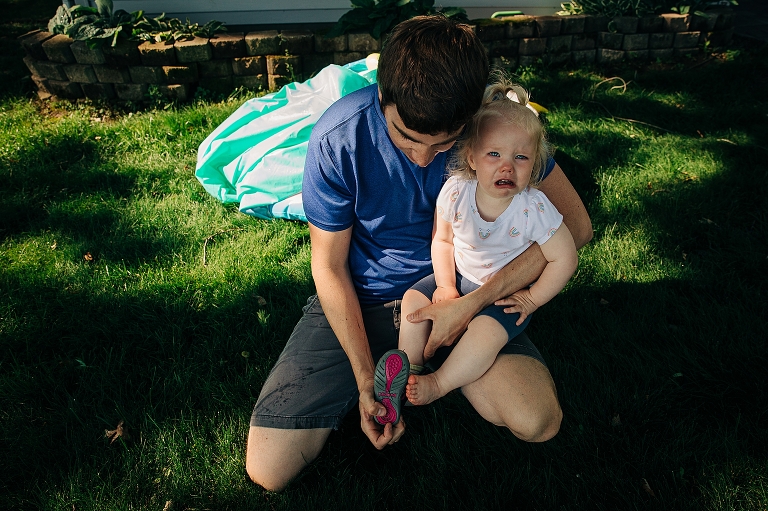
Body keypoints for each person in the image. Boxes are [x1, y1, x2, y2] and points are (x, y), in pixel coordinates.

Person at [245, 14, 593, 492]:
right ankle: (401, 367)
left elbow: (576, 227)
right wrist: (363, 377)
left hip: (471, 289)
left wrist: (468, 305)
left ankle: (434, 369)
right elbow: (328, 266)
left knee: (537, 421)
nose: (424, 158)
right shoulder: (338, 138)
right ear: (381, 95)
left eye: (445, 143)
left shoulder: (496, 130)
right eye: (406, 137)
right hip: (365, 299)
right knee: (269, 468)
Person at [398, 80, 578, 407]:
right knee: (413, 301)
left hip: (501, 295)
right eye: (494, 154)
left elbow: (565, 258)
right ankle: (408, 369)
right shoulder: (456, 191)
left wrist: (533, 298)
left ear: (534, 164)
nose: (506, 166)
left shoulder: (533, 208)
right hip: (458, 277)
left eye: (520, 157)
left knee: (485, 335)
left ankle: (438, 383)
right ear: (471, 157)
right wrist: (446, 286)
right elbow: (442, 240)